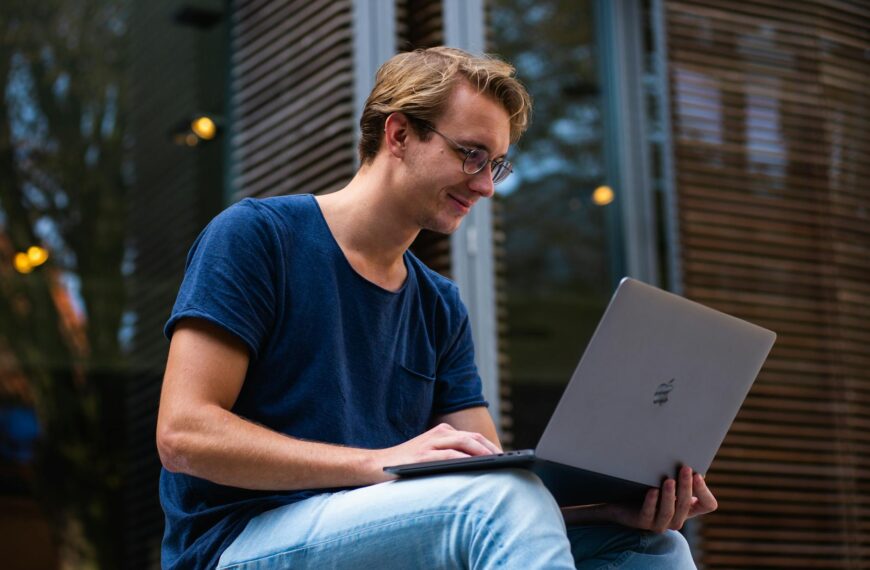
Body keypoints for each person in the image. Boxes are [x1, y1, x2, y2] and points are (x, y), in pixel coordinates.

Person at [156, 46, 717, 569]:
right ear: (399, 133)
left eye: (496, 165)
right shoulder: (258, 237)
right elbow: (184, 436)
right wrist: (377, 463)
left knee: (651, 546)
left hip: (378, 532)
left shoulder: (438, 304)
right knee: (498, 499)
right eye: (472, 155)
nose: (486, 187)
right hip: (238, 542)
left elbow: (492, 477)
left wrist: (605, 509)